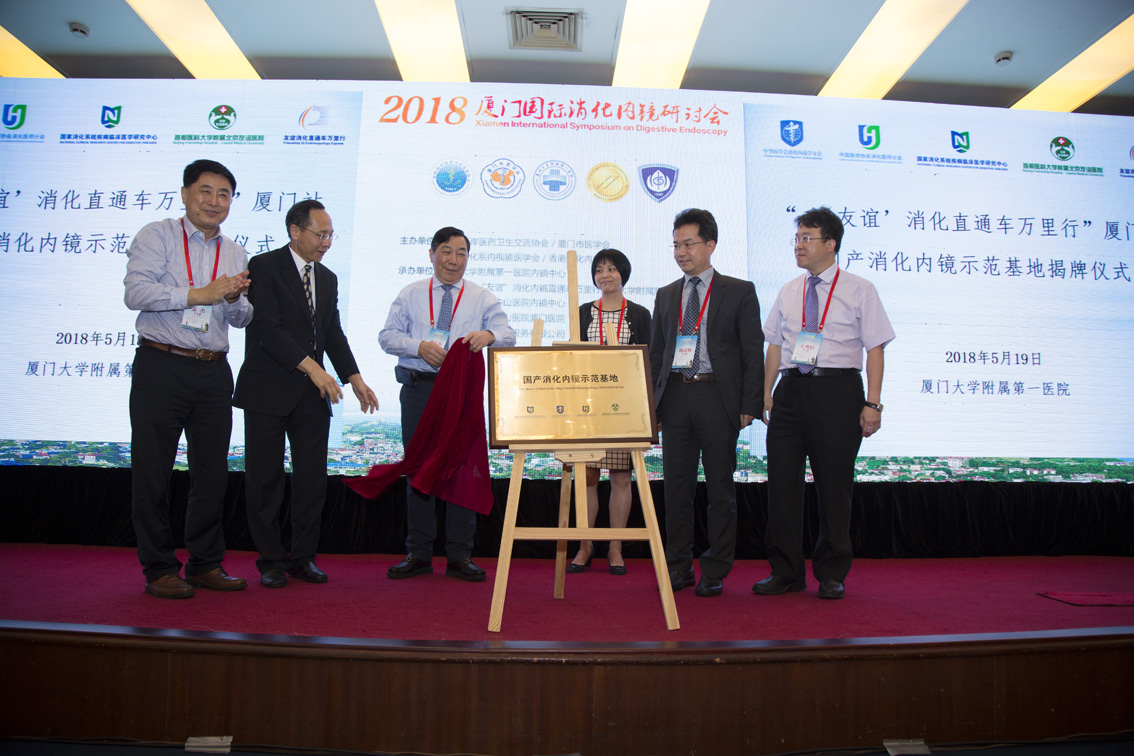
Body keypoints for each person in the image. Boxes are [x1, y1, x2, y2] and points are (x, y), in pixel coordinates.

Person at [233, 200, 378, 589]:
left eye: (331, 235)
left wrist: (354, 378)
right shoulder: (265, 266)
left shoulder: (327, 278)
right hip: (268, 389)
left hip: (312, 396)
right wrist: (315, 369)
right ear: (295, 231)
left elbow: (331, 332)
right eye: (321, 234)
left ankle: (303, 558)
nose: (327, 242)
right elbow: (267, 329)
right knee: (265, 479)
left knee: (312, 481)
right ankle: (270, 560)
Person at [124, 159, 252, 599]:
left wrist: (233, 300)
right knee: (153, 472)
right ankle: (159, 568)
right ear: (185, 194)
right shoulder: (157, 235)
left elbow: (241, 318)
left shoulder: (235, 252)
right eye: (205, 191)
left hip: (213, 369)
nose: (214, 201)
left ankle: (205, 563)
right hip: (163, 363)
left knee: (212, 475)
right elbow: (136, 293)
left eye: (224, 194)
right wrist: (200, 294)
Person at [754, 206, 894, 600]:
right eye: (797, 238)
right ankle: (785, 572)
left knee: (833, 487)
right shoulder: (789, 290)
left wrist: (873, 403)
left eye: (807, 238)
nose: (798, 245)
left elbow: (876, 347)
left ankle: (832, 572)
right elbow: (775, 344)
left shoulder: (860, 288)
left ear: (830, 244)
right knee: (782, 486)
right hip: (790, 391)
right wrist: (765, 392)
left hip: (837, 391)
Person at [379, 227, 515, 582]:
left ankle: (459, 555)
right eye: (446, 251)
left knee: (461, 469)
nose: (454, 260)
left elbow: (508, 334)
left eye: (461, 253)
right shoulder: (411, 293)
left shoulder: (481, 297)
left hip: (461, 394)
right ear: (431, 254)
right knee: (418, 469)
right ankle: (419, 553)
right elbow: (387, 337)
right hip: (419, 390)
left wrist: (489, 335)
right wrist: (419, 347)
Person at [649, 208, 763, 597]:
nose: (680, 252)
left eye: (688, 244)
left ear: (710, 245)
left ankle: (715, 568)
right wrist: (653, 406)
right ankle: (678, 566)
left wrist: (750, 402)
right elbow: (657, 355)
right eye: (676, 245)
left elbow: (752, 350)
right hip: (676, 396)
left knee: (719, 489)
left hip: (718, 396)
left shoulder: (739, 290)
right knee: (675, 490)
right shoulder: (666, 294)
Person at [567, 248, 652, 576]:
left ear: (623, 273)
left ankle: (616, 547)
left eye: (612, 269)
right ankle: (585, 546)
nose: (605, 275)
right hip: (587, 404)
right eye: (599, 270)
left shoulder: (640, 314)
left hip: (623, 405)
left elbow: (647, 361)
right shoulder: (582, 312)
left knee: (620, 476)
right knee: (587, 476)